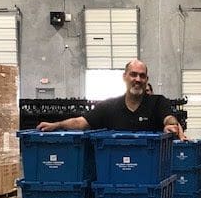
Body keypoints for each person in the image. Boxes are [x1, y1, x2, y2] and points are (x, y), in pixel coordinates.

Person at [37, 59, 186, 140]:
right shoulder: (109, 106)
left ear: (147, 79)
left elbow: (169, 118)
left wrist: (172, 126)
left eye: (142, 76)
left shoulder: (158, 102)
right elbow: (81, 123)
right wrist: (55, 125)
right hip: (114, 172)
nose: (138, 79)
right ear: (124, 77)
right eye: (133, 74)